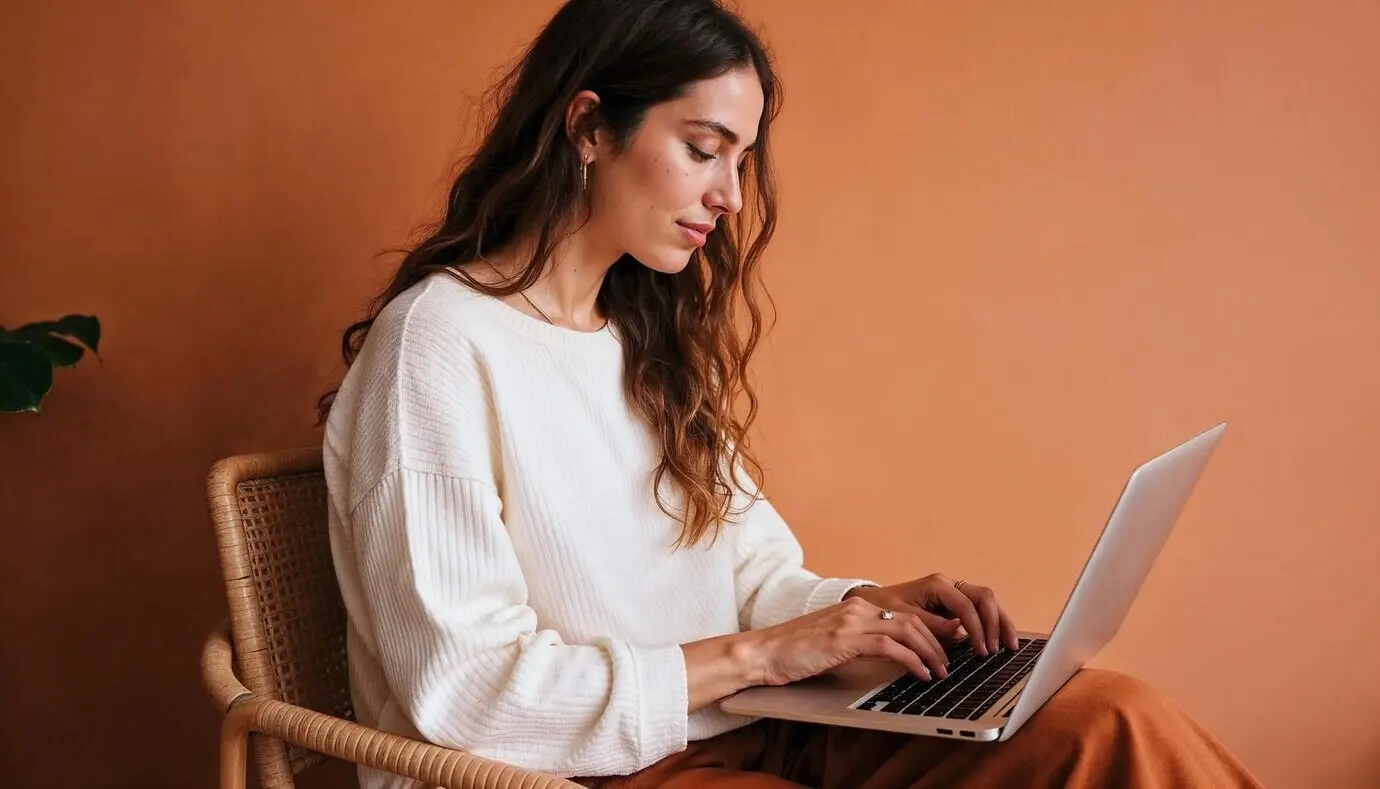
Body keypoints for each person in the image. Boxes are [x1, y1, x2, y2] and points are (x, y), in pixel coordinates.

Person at [319, 1, 1263, 787]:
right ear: (588, 127)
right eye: (703, 148)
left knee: (1111, 721)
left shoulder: (642, 341)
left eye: (741, 158)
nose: (731, 195)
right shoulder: (438, 346)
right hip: (583, 773)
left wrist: (873, 612)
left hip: (743, 725)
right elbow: (467, 690)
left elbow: (750, 576)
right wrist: (764, 656)